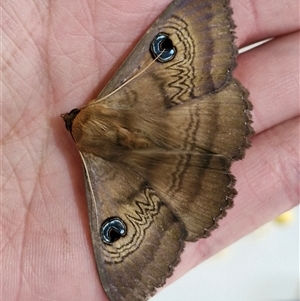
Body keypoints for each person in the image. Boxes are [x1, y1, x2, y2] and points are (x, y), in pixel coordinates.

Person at [2, 0, 299, 300]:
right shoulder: (110, 96)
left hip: (171, 172)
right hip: (198, 117)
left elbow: (195, 14)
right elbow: (172, 39)